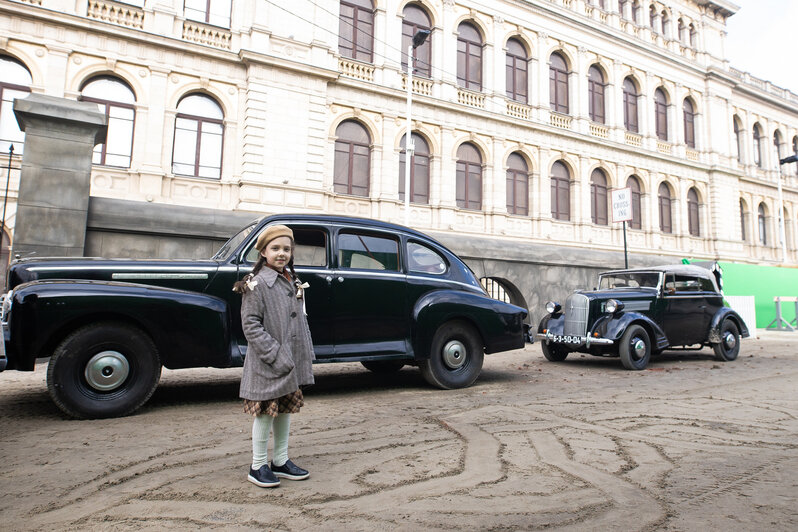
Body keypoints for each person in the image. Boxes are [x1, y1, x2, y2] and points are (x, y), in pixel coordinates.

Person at [232, 224, 315, 488]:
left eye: (286, 249)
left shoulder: (291, 280)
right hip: (269, 362)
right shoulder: (256, 284)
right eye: (275, 248)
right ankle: (257, 465)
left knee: (285, 410)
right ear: (263, 252)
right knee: (266, 413)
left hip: (289, 361)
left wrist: (303, 355)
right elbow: (251, 325)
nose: (282, 253)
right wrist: (275, 354)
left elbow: (299, 321)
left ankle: (280, 460)